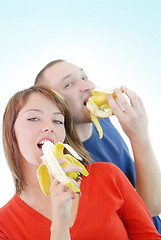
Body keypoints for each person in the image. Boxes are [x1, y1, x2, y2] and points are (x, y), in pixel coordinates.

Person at [0, 85, 161, 240]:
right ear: (11, 132)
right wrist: (60, 223)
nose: (49, 127)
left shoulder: (108, 176)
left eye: (57, 121)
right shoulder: (4, 226)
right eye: (34, 118)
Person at [34, 59, 161, 232]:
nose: (87, 85)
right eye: (69, 84)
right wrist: (139, 135)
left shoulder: (103, 121)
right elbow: (150, 208)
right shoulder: (67, 166)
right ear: (53, 104)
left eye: (84, 76)